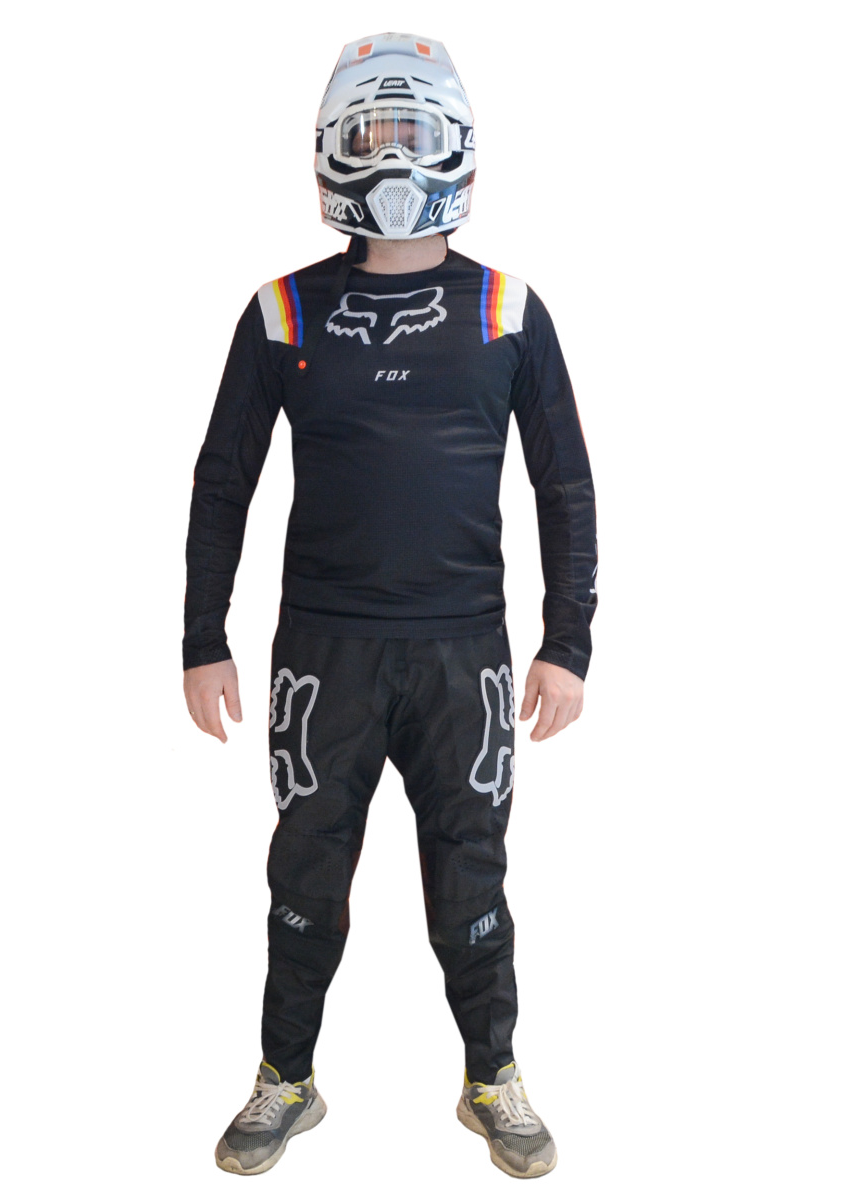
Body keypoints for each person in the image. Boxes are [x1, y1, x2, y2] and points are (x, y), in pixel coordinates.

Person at [182, 32, 598, 1180]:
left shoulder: (508, 309)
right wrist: (203, 639)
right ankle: (287, 1077)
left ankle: (491, 1076)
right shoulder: (282, 312)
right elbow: (223, 482)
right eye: (371, 133)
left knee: (473, 874)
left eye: (412, 132)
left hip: (465, 654)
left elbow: (564, 485)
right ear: (329, 147)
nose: (392, 156)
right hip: (324, 656)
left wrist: (567, 645)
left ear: (458, 143)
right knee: (305, 874)